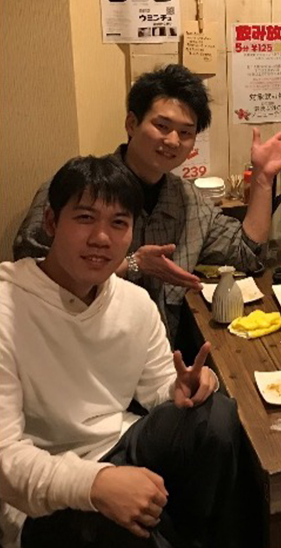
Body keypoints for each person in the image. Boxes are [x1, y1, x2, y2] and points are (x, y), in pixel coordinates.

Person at [0, 156, 241, 548]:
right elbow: (5, 460)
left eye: (118, 223)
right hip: (43, 490)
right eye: (84, 218)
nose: (101, 238)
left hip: (120, 445)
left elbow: (160, 387)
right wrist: (96, 483)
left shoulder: (133, 302)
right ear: (50, 222)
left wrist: (184, 387)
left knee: (217, 417)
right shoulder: (7, 306)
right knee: (114, 531)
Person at [14, 64, 281, 344]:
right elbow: (33, 282)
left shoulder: (188, 201)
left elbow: (247, 252)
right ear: (131, 123)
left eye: (185, 132)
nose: (172, 140)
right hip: (77, 358)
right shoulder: (76, 189)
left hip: (158, 362)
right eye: (161, 125)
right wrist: (132, 265)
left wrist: (263, 179)